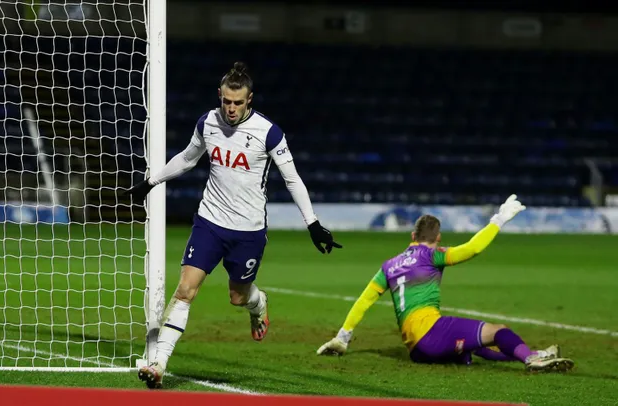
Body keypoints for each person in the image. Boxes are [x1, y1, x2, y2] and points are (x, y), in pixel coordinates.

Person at [127, 61, 342, 388]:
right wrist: (151, 182)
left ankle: (259, 303)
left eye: (238, 103)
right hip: (210, 222)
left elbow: (293, 179)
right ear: (220, 96)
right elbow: (187, 158)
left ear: (250, 99)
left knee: (238, 297)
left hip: (248, 232)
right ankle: (159, 364)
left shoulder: (268, 132)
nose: (231, 108)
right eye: (226, 101)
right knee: (185, 290)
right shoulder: (208, 123)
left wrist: (312, 223)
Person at [316, 195, 574, 372]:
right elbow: (472, 248)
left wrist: (343, 337)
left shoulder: (389, 265)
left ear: (412, 236)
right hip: (433, 333)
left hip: (417, 350)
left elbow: (364, 301)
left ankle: (538, 353)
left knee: (474, 346)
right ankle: (531, 359)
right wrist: (499, 219)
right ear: (437, 238)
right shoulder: (433, 255)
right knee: (498, 331)